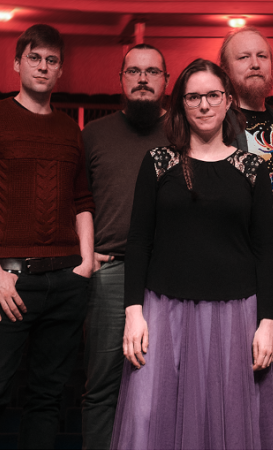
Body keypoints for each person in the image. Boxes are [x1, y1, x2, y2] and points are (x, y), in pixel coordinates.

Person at [112, 58, 273, 450]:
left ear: (228, 101)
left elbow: (266, 250)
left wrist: (268, 322)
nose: (204, 105)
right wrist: (133, 312)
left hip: (235, 315)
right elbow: (138, 241)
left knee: (226, 424)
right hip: (162, 310)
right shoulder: (158, 162)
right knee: (149, 417)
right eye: (193, 97)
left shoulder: (252, 168)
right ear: (181, 104)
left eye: (213, 95)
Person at [0, 24, 95, 448]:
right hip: (9, 282)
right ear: (17, 63)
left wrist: (85, 265)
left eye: (51, 60)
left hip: (66, 281)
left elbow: (82, 201)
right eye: (34, 58)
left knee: (47, 401)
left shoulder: (69, 130)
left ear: (60, 70)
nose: (42, 67)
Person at [81, 44, 170, 450]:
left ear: (166, 81)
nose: (143, 79)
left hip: (168, 273)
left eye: (152, 72)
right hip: (111, 273)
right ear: (120, 79)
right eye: (133, 71)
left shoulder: (183, 131)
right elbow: (74, 202)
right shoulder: (94, 134)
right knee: (102, 384)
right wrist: (83, 253)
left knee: (165, 383)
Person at [219, 27, 273, 441]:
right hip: (236, 281)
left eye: (262, 56)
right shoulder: (216, 126)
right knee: (232, 396)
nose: (255, 64)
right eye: (243, 57)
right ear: (225, 70)